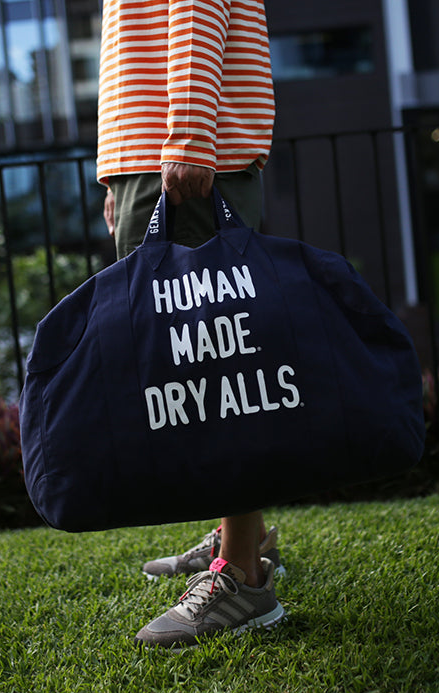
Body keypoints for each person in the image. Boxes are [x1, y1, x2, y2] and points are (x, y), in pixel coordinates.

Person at [97, 0, 284, 649]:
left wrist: (186, 135)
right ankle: (243, 538)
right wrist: (118, 168)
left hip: (179, 150)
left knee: (215, 366)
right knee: (207, 364)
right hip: (153, 150)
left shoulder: (185, 143)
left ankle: (243, 578)